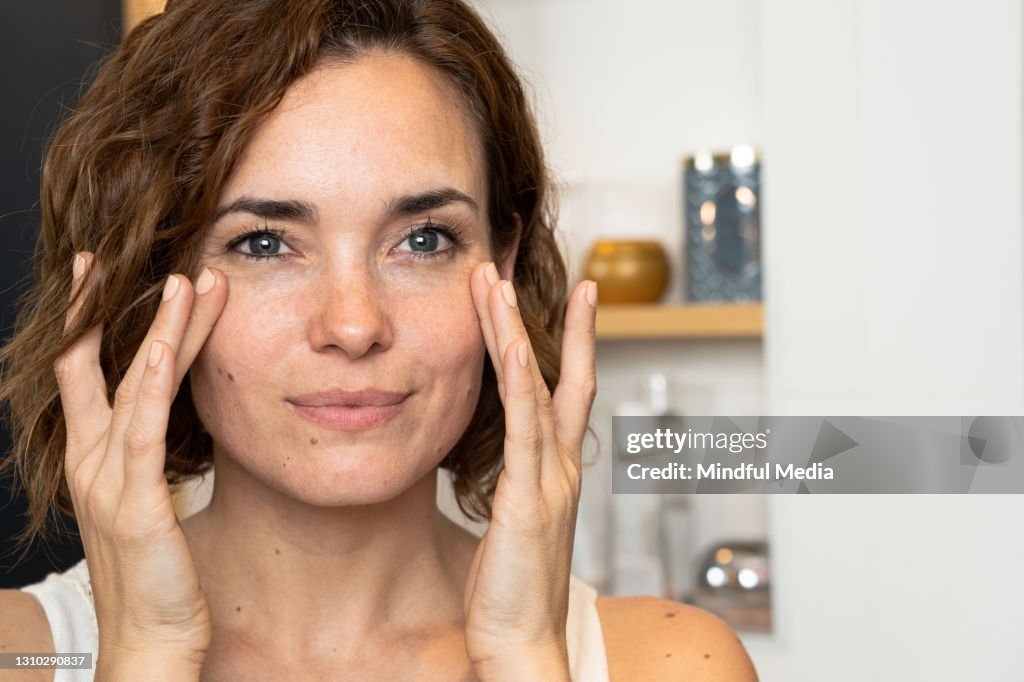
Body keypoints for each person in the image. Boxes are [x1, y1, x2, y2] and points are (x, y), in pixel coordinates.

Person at [0, 0, 758, 679]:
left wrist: (524, 653)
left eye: (424, 239)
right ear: (150, 277)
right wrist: (145, 656)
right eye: (265, 243)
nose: (355, 325)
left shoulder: (668, 662)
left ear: (504, 263)